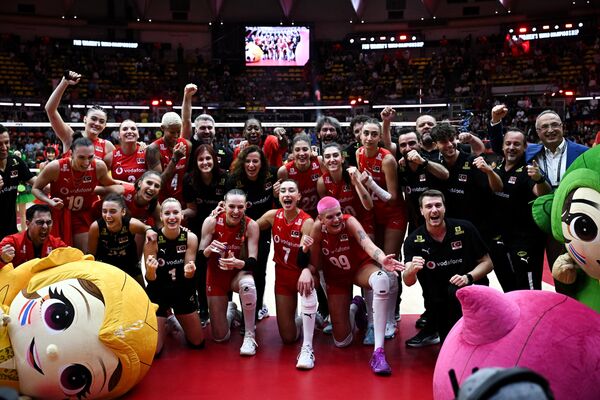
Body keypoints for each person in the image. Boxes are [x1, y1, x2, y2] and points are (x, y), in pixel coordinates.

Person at [309, 196, 404, 375]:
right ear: (320, 219)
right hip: (336, 278)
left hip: (360, 268)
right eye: (330, 217)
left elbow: (367, 244)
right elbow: (316, 265)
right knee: (342, 341)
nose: (336, 219)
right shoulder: (317, 230)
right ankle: (356, 307)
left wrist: (382, 258)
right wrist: (308, 272)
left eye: (338, 214)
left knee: (382, 279)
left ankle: (379, 352)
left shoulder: (350, 221)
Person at [489, 105, 588, 275]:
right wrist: (496, 121)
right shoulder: (531, 152)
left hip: (576, 221)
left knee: (585, 272)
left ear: (562, 126)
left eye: (554, 125)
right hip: (545, 224)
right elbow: (502, 147)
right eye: (544, 127)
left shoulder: (582, 152)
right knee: (559, 273)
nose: (550, 130)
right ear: (538, 132)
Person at [403, 190, 493, 344]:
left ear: (444, 208)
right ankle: (436, 331)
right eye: (429, 206)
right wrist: (411, 270)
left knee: (475, 342)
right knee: (450, 343)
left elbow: (487, 263)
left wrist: (468, 277)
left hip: (469, 292)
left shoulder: (465, 228)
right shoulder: (413, 241)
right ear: (421, 211)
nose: (434, 210)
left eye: (438, 205)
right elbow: (408, 281)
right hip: (438, 301)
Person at [256, 180, 316, 369]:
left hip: (302, 273)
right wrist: (226, 215)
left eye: (291, 190)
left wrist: (305, 258)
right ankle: (299, 320)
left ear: (299, 196)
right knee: (288, 338)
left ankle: (308, 345)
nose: (287, 194)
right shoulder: (272, 216)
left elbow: (306, 260)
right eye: (283, 191)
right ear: (279, 196)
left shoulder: (307, 222)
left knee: (309, 279)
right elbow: (249, 228)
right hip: (282, 276)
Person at [356, 118, 407, 340]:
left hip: (393, 214)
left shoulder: (387, 159)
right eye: (366, 133)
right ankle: (373, 316)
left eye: (374, 134)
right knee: (371, 264)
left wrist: (371, 184)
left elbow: (393, 198)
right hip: (372, 213)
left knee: (389, 264)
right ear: (360, 135)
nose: (369, 138)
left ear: (379, 137)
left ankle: (390, 319)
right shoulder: (358, 153)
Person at [489, 126, 552, 292]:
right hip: (500, 238)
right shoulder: (495, 168)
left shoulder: (528, 170)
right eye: (508, 143)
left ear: (525, 147)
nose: (511, 147)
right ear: (502, 146)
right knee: (508, 285)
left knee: (529, 288)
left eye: (517, 144)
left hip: (526, 240)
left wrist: (539, 179)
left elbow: (542, 193)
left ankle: (532, 311)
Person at [199, 189, 260, 356]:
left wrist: (239, 263)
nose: (236, 211)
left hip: (236, 275)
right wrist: (209, 249)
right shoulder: (211, 221)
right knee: (220, 337)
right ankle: (231, 311)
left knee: (248, 283)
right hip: (216, 277)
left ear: (246, 206)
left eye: (240, 207)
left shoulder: (251, 225)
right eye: (231, 206)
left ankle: (249, 335)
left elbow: (254, 261)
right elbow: (199, 258)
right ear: (224, 205)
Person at [32, 137, 117, 252]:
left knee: (85, 253)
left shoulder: (99, 166)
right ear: (71, 154)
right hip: (59, 216)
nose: (86, 162)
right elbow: (35, 188)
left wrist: (131, 186)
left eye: (90, 157)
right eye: (81, 157)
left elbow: (111, 185)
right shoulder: (55, 167)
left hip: (83, 215)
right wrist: (50, 201)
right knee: (59, 254)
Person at [144, 198, 204, 355]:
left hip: (182, 290)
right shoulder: (152, 240)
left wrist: (189, 272)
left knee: (197, 342)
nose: (172, 217)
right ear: (161, 216)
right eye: (167, 213)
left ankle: (175, 318)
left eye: (176, 212)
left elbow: (188, 274)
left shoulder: (190, 237)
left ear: (182, 215)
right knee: (155, 351)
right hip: (159, 292)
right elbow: (150, 279)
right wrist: (151, 270)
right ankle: (167, 320)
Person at [226, 145, 278, 321]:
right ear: (242, 163)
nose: (251, 165)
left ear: (262, 163)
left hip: (263, 230)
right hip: (239, 231)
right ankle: (230, 308)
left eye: (255, 161)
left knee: (259, 270)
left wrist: (277, 194)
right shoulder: (234, 180)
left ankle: (256, 310)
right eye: (247, 161)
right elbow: (229, 208)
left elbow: (279, 203)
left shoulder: (272, 174)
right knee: (236, 269)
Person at [182, 144, 228, 325]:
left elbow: (231, 208)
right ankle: (202, 308)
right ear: (195, 162)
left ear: (215, 159)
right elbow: (192, 210)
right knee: (200, 268)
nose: (205, 162)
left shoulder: (225, 177)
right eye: (200, 159)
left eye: (208, 158)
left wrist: (221, 212)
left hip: (222, 226)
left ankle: (227, 306)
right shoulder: (189, 179)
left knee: (223, 266)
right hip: (197, 228)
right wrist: (180, 214)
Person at [44, 70, 115, 167]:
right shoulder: (70, 137)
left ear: (105, 125)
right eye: (93, 119)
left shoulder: (107, 146)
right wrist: (64, 83)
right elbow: (50, 109)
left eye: (101, 121)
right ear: (85, 119)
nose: (97, 123)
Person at [88, 193, 156, 285]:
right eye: (104, 211)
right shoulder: (96, 227)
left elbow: (147, 228)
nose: (107, 216)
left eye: (112, 211)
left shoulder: (131, 224)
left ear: (123, 212)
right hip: (106, 268)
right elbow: (91, 256)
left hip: (130, 268)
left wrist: (149, 231)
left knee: (142, 291)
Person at [181, 83, 233, 170]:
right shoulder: (190, 148)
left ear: (215, 130)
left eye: (210, 128)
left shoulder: (224, 152)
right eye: (202, 128)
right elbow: (186, 121)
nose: (207, 131)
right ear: (195, 131)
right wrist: (187, 96)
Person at [146, 112, 191, 204]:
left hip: (182, 200)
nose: (176, 135)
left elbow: (187, 174)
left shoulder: (187, 145)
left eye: (178, 131)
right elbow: (158, 183)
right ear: (162, 128)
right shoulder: (153, 149)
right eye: (172, 132)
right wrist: (175, 159)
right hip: (161, 201)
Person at [0, 204, 66, 268]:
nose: (45, 226)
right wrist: (2, 259)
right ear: (28, 223)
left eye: (49, 222)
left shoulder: (57, 245)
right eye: (40, 222)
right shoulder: (12, 242)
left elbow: (70, 260)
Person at [0, 126, 35, 240]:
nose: (4, 147)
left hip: (11, 232)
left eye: (6, 142)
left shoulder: (15, 162)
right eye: (0, 144)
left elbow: (37, 183)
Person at [277, 134, 322, 218]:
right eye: (297, 150)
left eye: (305, 149)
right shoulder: (284, 171)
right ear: (292, 152)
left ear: (311, 150)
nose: (301, 153)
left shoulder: (319, 162)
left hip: (319, 216)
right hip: (297, 218)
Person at [111, 119, 147, 184]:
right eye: (125, 129)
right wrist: (129, 187)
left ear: (138, 134)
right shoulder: (111, 157)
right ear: (119, 135)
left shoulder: (147, 152)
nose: (129, 131)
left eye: (133, 129)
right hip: (120, 191)